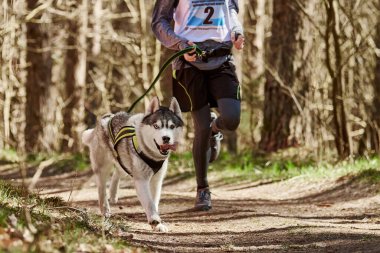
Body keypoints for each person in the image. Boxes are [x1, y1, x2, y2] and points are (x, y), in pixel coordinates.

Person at [151, 0, 244, 211]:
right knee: (200, 126)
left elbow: (231, 11)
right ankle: (203, 189)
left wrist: (237, 31)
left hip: (221, 59)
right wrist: (180, 44)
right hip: (188, 63)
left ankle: (215, 128)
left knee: (231, 118)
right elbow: (159, 22)